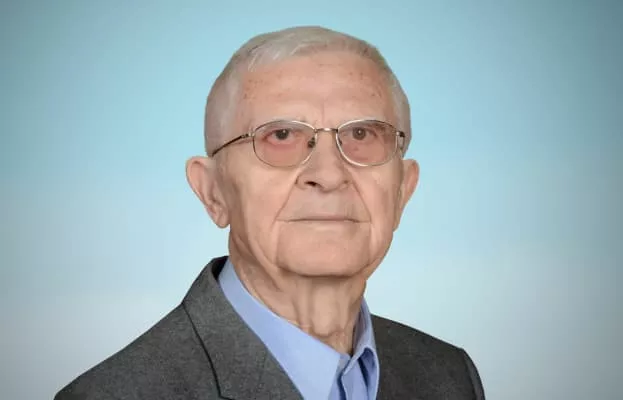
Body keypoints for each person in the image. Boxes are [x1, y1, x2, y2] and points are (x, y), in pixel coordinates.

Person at [55, 26, 485, 400]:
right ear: (212, 192)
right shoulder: (114, 395)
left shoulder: (449, 376)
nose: (329, 174)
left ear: (402, 190)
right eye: (280, 136)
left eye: (361, 133)